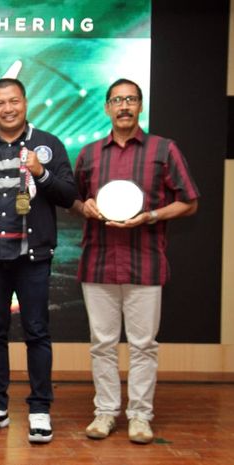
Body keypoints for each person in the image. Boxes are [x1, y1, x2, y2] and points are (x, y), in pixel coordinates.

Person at [73, 78, 199, 444]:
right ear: (107, 108)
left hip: (145, 263)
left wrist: (152, 216)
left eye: (131, 99)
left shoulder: (164, 149)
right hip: (97, 263)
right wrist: (87, 207)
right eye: (117, 100)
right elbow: (78, 202)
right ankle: (106, 413)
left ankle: (141, 416)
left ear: (140, 106)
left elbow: (190, 202)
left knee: (144, 344)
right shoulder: (90, 154)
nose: (124, 106)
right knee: (102, 343)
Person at [0, 78, 77, 443]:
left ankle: (40, 409)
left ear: (26, 103)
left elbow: (69, 194)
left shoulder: (48, 145)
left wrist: (41, 173)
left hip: (33, 256)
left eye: (13, 101)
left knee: (37, 332)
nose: (7, 108)